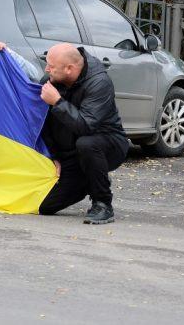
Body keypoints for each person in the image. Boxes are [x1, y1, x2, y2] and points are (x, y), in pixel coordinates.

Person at [38, 43, 131, 224]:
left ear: (69, 69)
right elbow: (42, 122)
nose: (46, 69)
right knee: (45, 207)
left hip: (107, 145)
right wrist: (53, 156)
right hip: (71, 155)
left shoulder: (99, 83)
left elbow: (86, 126)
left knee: (86, 143)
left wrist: (57, 102)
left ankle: (103, 203)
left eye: (51, 66)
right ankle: (90, 179)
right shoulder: (50, 81)